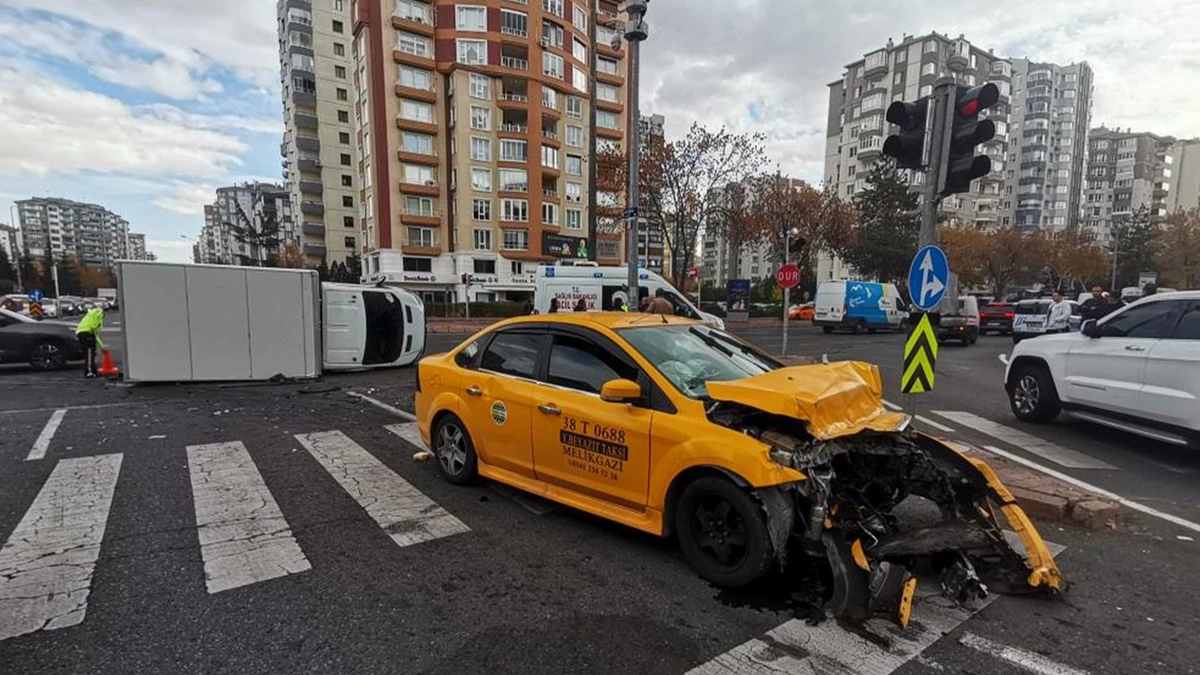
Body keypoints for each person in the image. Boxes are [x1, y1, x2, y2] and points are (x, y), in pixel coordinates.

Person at [75, 306, 105, 378]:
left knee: (90, 353)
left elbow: (95, 335)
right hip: (86, 333)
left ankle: (93, 370)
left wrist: (102, 346)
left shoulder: (92, 313)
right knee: (89, 353)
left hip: (83, 333)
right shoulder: (99, 313)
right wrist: (99, 324)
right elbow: (94, 326)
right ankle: (89, 372)